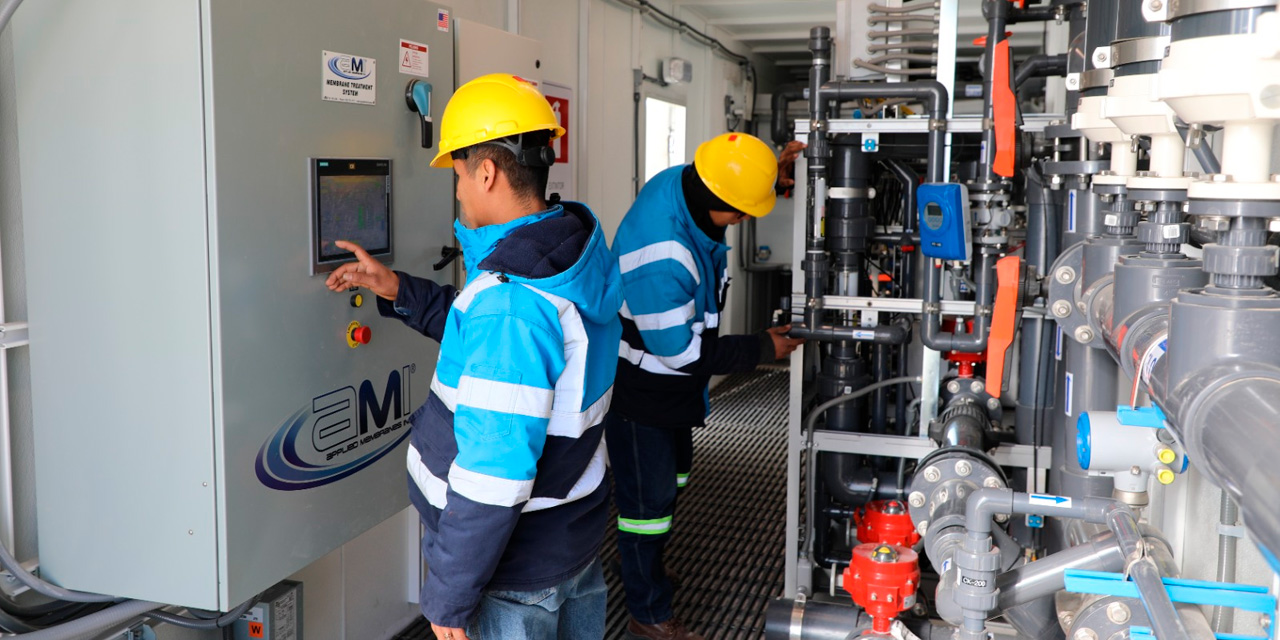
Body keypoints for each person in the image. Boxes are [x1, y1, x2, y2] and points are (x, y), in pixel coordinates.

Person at [325, 73, 622, 640]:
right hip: (570, 543)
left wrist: (448, 596)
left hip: (513, 571)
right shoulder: (571, 254)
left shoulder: (508, 300)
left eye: (458, 176)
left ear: (485, 172)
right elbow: (502, 353)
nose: (458, 191)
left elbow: (495, 472)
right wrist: (397, 290)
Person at [606, 132, 805, 640]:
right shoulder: (664, 254)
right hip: (643, 391)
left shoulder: (686, 183)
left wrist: (766, 174)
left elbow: (729, 172)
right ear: (719, 203)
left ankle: (646, 568)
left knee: (671, 484)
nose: (742, 221)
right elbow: (682, 355)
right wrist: (762, 349)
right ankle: (647, 613)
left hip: (671, 392)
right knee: (646, 509)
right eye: (740, 211)